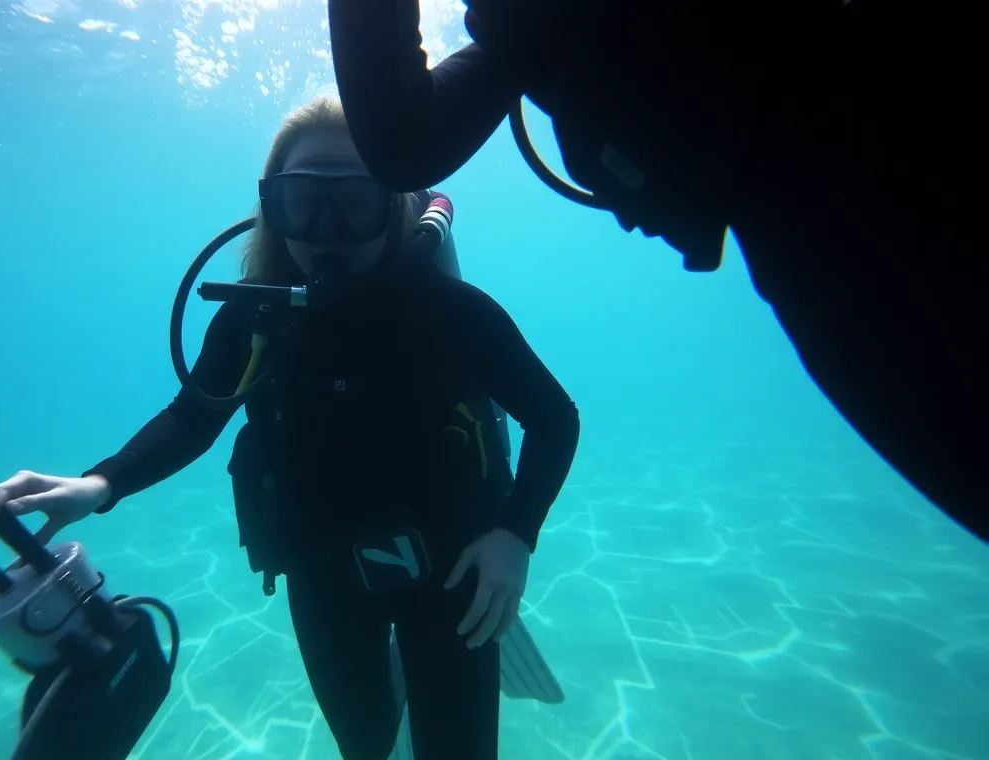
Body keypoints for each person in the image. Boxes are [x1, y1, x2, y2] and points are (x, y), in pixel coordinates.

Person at [0, 94, 581, 760]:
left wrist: (514, 536)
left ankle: (447, 676)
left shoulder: (453, 313)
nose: (324, 233)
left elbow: (555, 417)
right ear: (272, 206)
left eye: (352, 203)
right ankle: (408, 677)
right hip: (323, 570)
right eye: (300, 202)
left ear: (392, 207)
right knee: (367, 750)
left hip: (454, 575)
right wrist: (99, 484)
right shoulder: (257, 317)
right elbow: (196, 413)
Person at [326, 0, 987, 544]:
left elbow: (402, 142)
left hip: (836, 186)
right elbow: (403, 141)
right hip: (795, 216)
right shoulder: (539, 31)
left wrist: (514, 534)